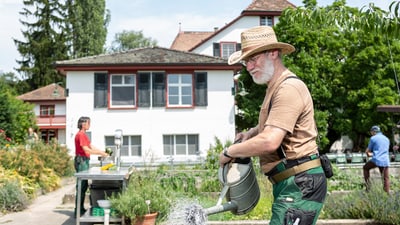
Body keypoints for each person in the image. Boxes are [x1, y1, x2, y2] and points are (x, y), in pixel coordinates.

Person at [219, 26, 327, 225]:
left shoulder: (288, 88)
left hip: (300, 182)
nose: (249, 67)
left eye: (253, 59)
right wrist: (250, 134)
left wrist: (229, 152)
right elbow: (272, 126)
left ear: (273, 53)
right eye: (246, 61)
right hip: (293, 181)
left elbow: (270, 141)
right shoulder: (275, 87)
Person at [74, 116, 108, 217]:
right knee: (81, 185)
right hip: (82, 161)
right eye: (88, 123)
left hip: (84, 160)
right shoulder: (80, 135)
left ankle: (80, 209)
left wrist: (102, 152)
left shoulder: (84, 135)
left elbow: (91, 146)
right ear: (83, 124)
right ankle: (78, 211)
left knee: (83, 186)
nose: (89, 125)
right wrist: (100, 153)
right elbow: (87, 150)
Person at [363, 125, 390, 193]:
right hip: (385, 160)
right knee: (385, 178)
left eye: (371, 132)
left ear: (373, 131)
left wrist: (368, 154)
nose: (371, 133)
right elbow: (383, 151)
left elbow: (368, 151)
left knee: (365, 168)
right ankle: (386, 194)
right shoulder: (386, 138)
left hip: (376, 160)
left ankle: (368, 189)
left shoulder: (373, 138)